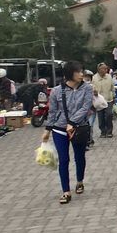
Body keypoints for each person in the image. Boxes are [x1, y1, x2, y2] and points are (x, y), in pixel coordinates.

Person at [41, 61, 94, 205]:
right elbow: (52, 112)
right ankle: (66, 191)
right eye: (78, 71)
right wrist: (47, 129)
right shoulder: (56, 91)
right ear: (70, 73)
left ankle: (79, 181)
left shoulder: (87, 88)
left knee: (80, 156)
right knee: (63, 160)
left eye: (82, 71)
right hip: (60, 129)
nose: (81, 74)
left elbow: (86, 107)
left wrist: (73, 123)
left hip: (80, 127)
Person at [91, 64, 115, 138]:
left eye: (106, 68)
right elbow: (91, 87)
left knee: (109, 114)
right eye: (104, 69)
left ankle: (109, 131)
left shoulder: (109, 76)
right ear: (99, 69)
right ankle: (103, 131)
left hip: (108, 99)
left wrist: (114, 96)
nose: (105, 70)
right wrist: (93, 92)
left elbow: (112, 87)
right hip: (99, 101)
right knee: (100, 117)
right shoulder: (94, 78)